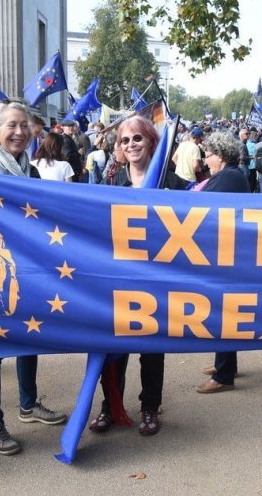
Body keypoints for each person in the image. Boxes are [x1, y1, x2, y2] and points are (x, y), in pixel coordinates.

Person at [88, 115, 189, 437]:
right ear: (118, 147)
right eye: (125, 140)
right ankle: (110, 407)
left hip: (158, 280)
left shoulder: (172, 184)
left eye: (138, 138)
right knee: (113, 348)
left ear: (151, 142)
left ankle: (149, 406)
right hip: (118, 281)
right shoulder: (110, 188)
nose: (131, 145)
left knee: (151, 348)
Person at [0, 101, 67, 455]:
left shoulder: (32, 173)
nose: (19, 132)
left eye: (24, 126)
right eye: (11, 125)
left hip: (26, 267)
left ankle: (28, 405)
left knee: (30, 334)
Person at [195, 131, 250, 393]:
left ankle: (224, 374)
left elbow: (200, 204)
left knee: (224, 312)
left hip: (228, 254)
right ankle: (225, 364)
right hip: (227, 251)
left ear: (221, 155)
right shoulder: (231, 175)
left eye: (208, 155)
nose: (206, 161)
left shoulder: (228, 177)